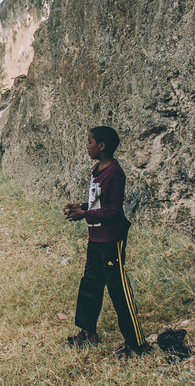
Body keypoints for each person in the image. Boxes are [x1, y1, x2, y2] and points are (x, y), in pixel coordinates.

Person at [62, 126, 151, 358]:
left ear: (102, 146)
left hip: (111, 241)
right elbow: (98, 203)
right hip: (96, 239)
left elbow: (113, 211)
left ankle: (137, 344)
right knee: (90, 285)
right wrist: (81, 207)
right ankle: (88, 332)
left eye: (90, 142)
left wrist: (84, 215)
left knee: (118, 290)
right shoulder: (97, 169)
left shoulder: (114, 173)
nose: (87, 146)